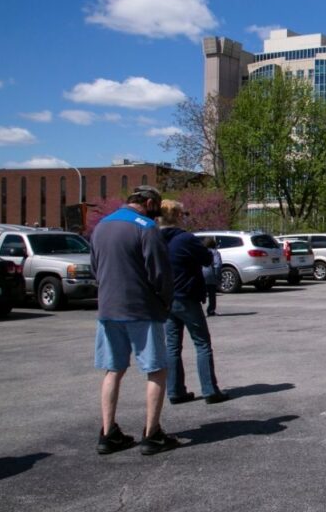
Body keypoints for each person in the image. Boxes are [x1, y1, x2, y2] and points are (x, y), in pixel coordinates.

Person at [91, 185, 177, 456]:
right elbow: (159, 271)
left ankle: (108, 432)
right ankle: (152, 434)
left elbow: (95, 266)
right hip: (141, 309)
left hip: (108, 308)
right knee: (156, 369)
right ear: (149, 202)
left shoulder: (101, 226)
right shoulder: (146, 227)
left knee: (113, 369)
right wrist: (165, 301)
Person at [159, 201, 228, 406]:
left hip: (165, 298)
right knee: (202, 343)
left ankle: (175, 391)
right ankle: (209, 389)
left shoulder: (153, 239)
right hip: (186, 296)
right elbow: (207, 258)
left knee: (172, 347)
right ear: (177, 216)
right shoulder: (184, 239)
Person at [201, 237, 221, 317]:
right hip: (210, 274)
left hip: (200, 274)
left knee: (200, 293)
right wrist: (218, 276)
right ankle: (211, 310)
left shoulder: (201, 252)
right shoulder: (215, 252)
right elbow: (217, 265)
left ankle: (198, 311)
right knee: (212, 294)